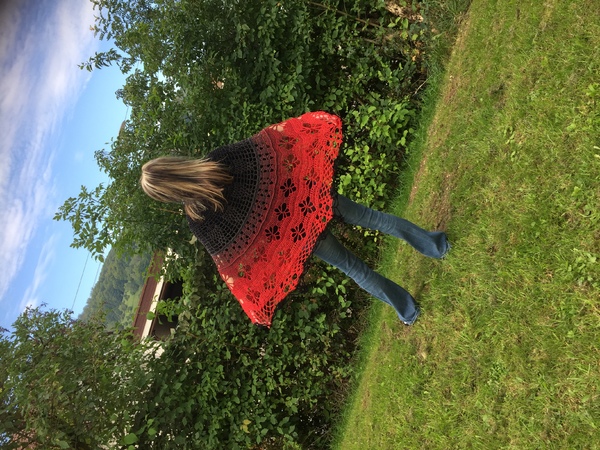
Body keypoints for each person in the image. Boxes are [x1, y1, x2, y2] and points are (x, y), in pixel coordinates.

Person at [140, 112, 449, 328]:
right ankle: (437, 246)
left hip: (299, 236)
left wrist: (257, 293)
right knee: (374, 218)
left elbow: (234, 262)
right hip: (310, 199)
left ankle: (408, 312)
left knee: (354, 268)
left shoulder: (198, 220)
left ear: (167, 194)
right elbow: (271, 148)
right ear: (173, 164)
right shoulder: (218, 160)